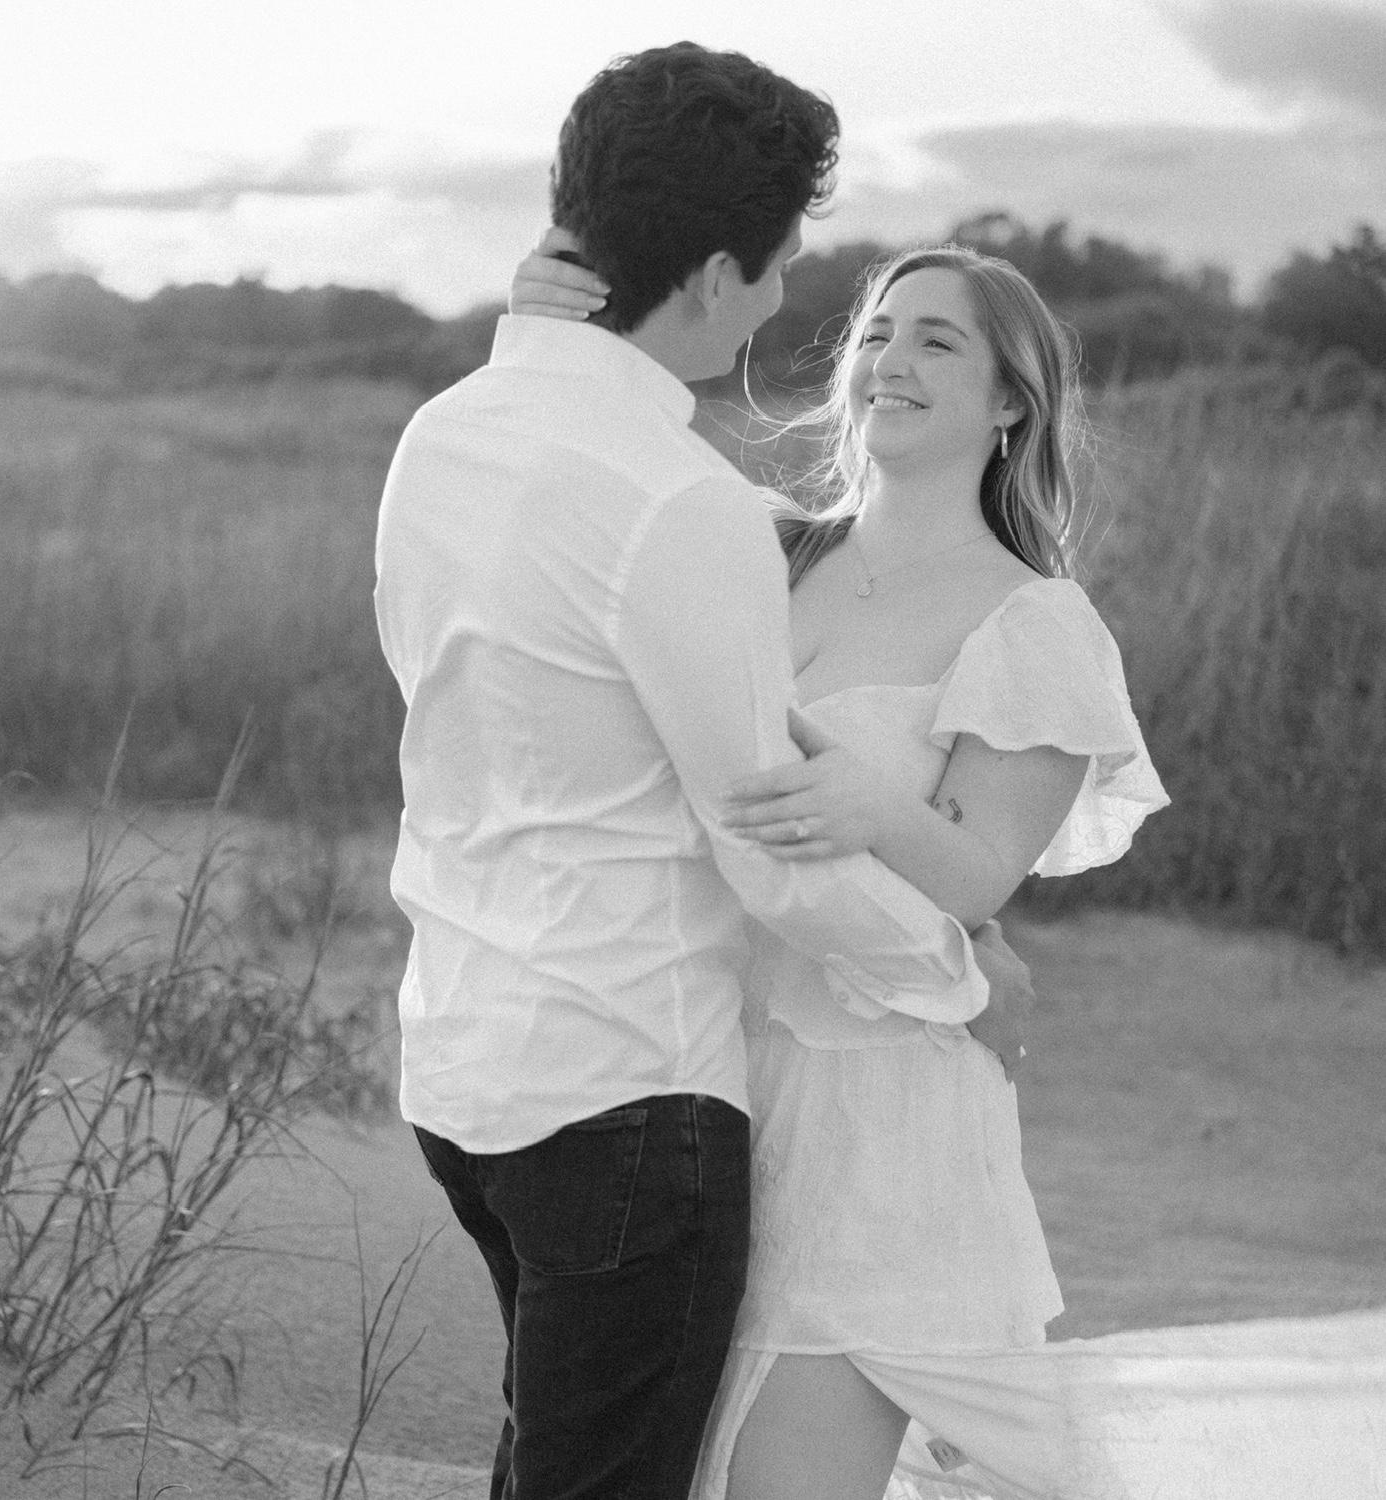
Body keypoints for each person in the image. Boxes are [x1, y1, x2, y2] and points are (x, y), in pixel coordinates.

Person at [511, 236, 1386, 1499]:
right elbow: (564, 520)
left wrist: (877, 811)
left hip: (873, 1126)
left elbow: (977, 874)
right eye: (876, 333)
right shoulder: (758, 550)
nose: (891, 361)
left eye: (937, 341)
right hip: (689, 1082)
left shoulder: (1034, 624)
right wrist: (546, 333)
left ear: (1012, 402)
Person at [373, 45, 1031, 1500]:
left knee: (555, 1458)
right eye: (782, 264)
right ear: (722, 274)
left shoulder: (441, 438)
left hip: (463, 1061)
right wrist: (960, 971)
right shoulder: (680, 502)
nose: (789, 298)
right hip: (622, 1088)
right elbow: (767, 846)